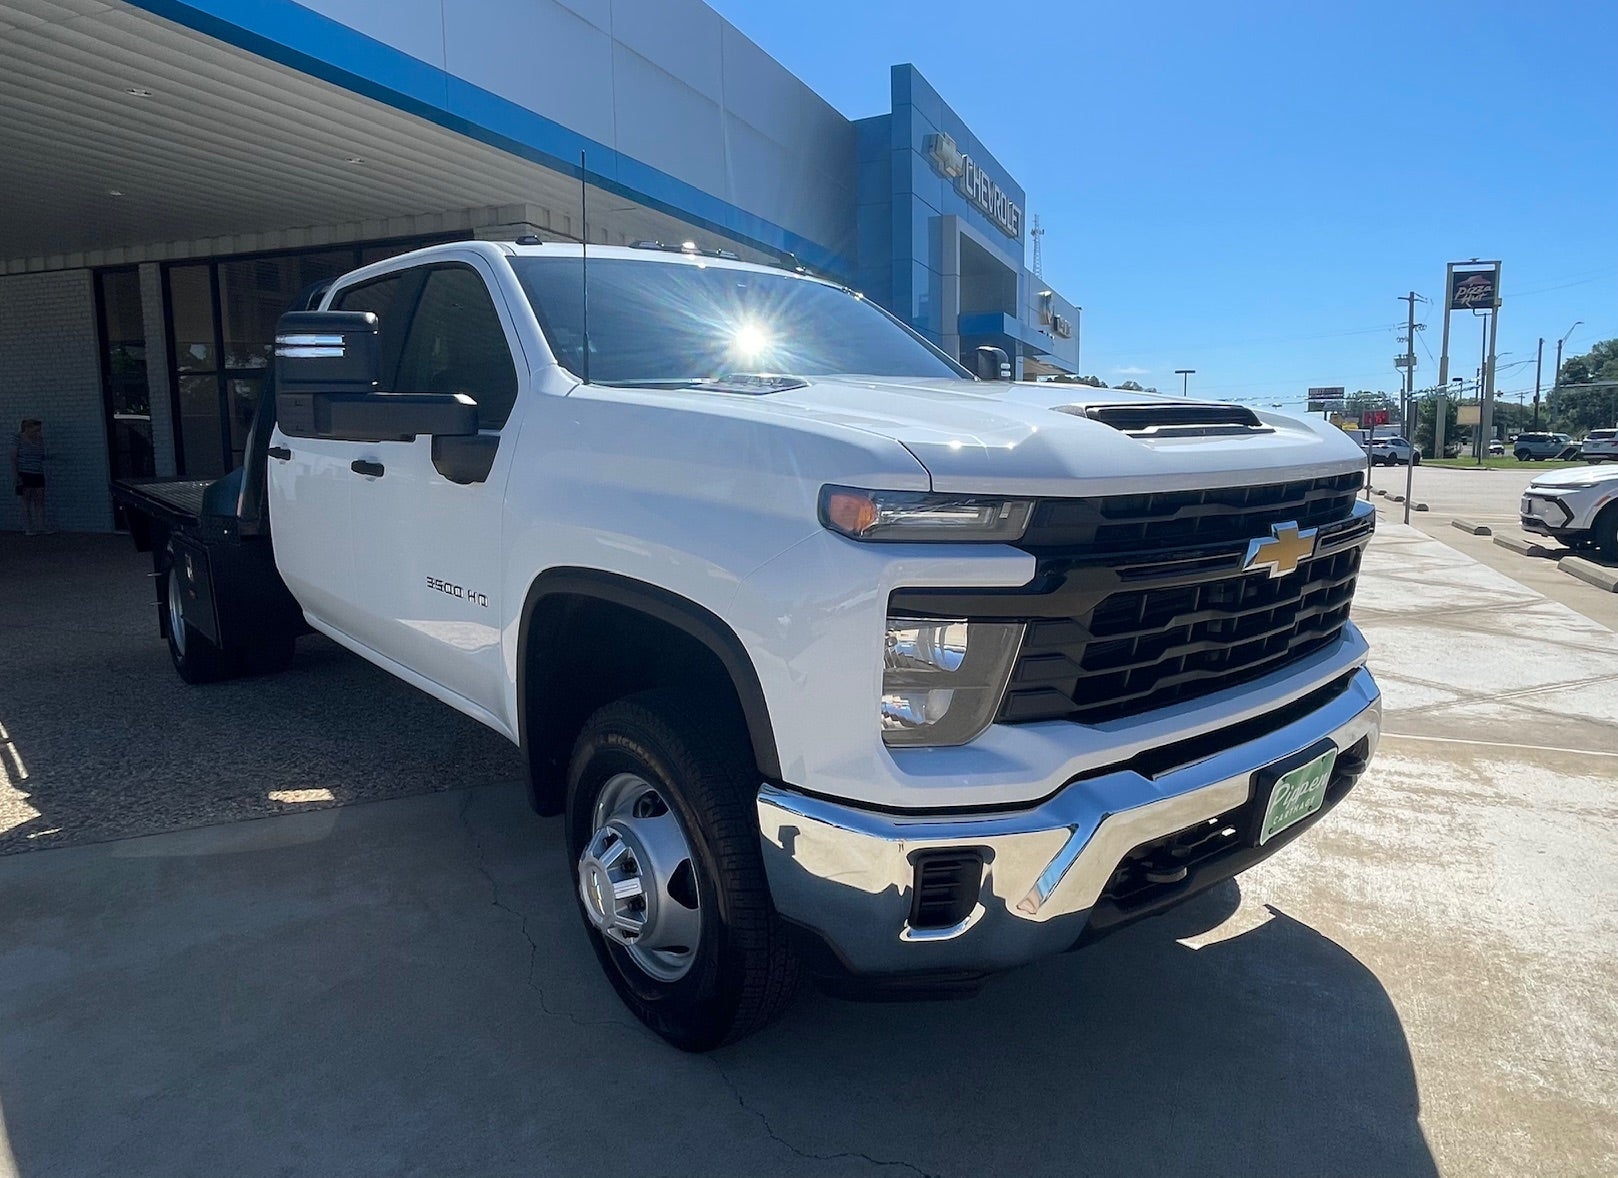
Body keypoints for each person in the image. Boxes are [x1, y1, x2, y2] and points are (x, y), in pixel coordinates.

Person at [10, 419, 50, 535]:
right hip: (24, 472)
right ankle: (28, 528)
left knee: (40, 500)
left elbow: (41, 455)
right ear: (28, 428)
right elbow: (13, 457)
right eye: (35, 430)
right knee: (26, 501)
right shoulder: (18, 438)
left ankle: (41, 526)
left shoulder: (39, 439)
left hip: (38, 472)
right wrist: (16, 475)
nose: (37, 432)